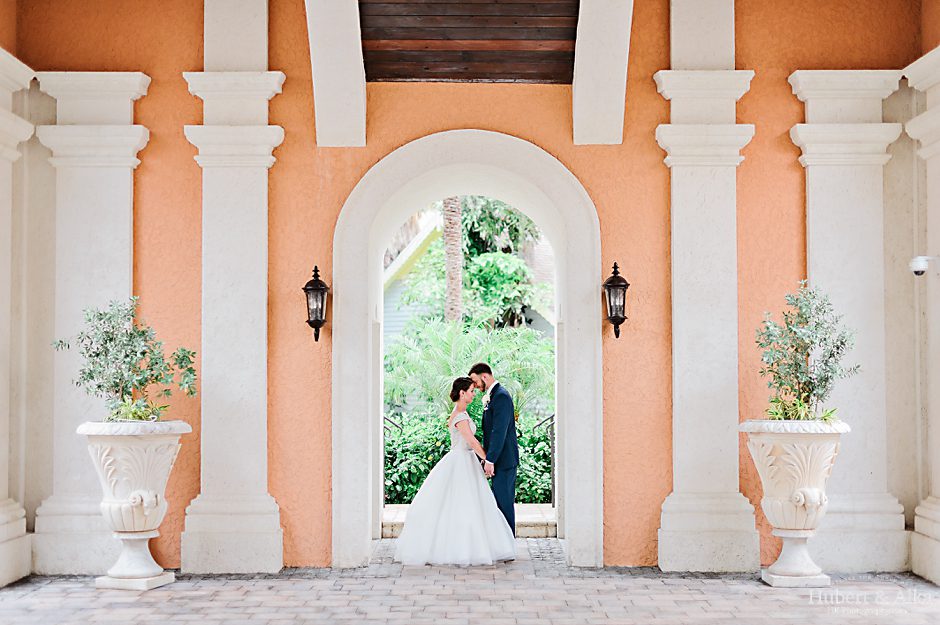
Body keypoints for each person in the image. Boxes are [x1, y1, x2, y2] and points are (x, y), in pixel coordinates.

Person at [393, 377, 516, 566]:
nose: (474, 394)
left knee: (471, 505)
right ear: (462, 393)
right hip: (462, 461)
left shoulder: (460, 414)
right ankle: (461, 548)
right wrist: (487, 459)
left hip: (465, 460)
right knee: (463, 505)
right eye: (471, 391)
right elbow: (472, 442)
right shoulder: (460, 417)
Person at [468, 363, 519, 535]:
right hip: (497, 459)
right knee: (498, 503)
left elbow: (499, 431)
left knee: (504, 503)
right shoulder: (493, 396)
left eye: (475, 381)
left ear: (484, 376)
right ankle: (502, 543)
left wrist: (490, 460)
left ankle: (509, 543)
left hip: (504, 461)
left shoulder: (501, 396)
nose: (474, 386)